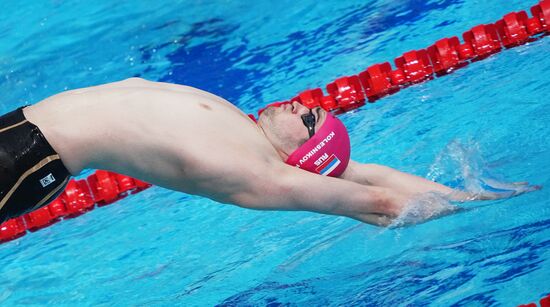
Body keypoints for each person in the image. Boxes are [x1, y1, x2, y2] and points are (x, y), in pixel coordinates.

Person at [0, 78, 540, 226]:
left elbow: (377, 200)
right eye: (313, 107)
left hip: (28, 160)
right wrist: (464, 190)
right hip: (19, 129)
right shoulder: (243, 127)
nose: (302, 105)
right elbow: (356, 169)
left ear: (301, 152)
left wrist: (474, 207)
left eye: (310, 120)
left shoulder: (255, 171)